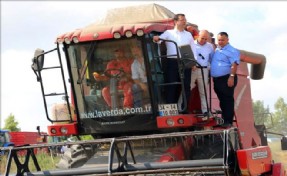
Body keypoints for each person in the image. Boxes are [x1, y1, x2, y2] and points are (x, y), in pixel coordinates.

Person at [153, 13, 197, 111]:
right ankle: (170, 109)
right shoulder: (169, 33)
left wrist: (194, 62)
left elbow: (193, 48)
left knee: (186, 86)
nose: (184, 22)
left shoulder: (188, 34)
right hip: (172, 62)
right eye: (182, 20)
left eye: (185, 20)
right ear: (175, 22)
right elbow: (159, 40)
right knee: (172, 84)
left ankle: (185, 109)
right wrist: (156, 38)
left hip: (186, 61)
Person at [210, 32, 240, 127]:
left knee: (227, 100)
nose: (220, 42)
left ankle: (228, 121)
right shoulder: (217, 50)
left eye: (223, 40)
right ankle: (224, 120)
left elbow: (234, 64)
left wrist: (231, 77)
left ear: (227, 40)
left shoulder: (232, 50)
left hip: (227, 78)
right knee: (222, 100)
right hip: (217, 79)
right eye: (219, 40)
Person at [190, 30, 214, 115]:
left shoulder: (210, 46)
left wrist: (209, 67)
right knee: (187, 89)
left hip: (204, 70)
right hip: (192, 69)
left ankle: (205, 111)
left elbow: (211, 59)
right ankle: (181, 107)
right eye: (202, 38)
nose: (203, 40)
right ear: (197, 36)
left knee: (203, 91)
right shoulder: (191, 44)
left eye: (205, 39)